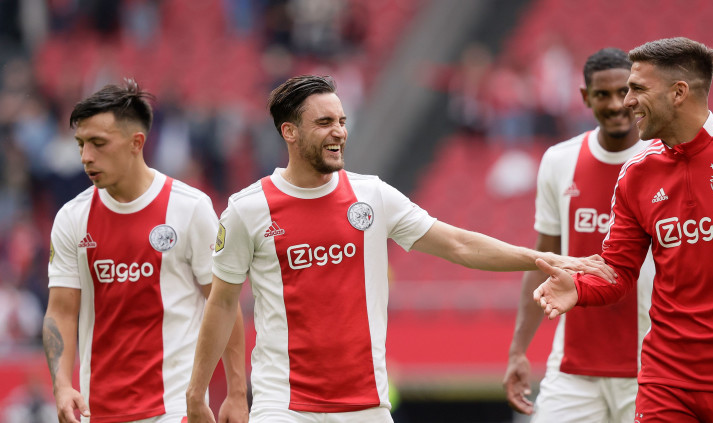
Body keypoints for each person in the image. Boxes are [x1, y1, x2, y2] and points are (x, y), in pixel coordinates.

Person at [184, 74, 615, 423]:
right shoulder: (248, 210)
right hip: (284, 404)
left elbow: (460, 244)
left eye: (342, 120)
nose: (339, 132)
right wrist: (202, 393)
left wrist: (543, 258)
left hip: (366, 404)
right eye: (324, 123)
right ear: (290, 132)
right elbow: (222, 304)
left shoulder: (373, 196)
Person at [534, 37, 713, 422]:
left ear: (678, 92)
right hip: (665, 380)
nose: (627, 101)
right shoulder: (636, 174)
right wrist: (579, 288)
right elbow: (619, 270)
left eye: (637, 89)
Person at [43, 79, 249, 423]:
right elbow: (61, 311)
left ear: (136, 143)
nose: (86, 156)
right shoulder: (72, 218)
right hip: (99, 412)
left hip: (174, 409)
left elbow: (224, 303)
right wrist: (62, 385)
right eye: (80, 144)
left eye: (98, 143)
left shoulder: (190, 208)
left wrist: (237, 393)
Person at [503, 48, 656, 422]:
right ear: (586, 97)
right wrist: (518, 350)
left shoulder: (663, 160)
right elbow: (542, 260)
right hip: (573, 368)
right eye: (603, 94)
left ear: (637, 93)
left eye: (623, 92)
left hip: (651, 365)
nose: (615, 104)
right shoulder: (559, 160)